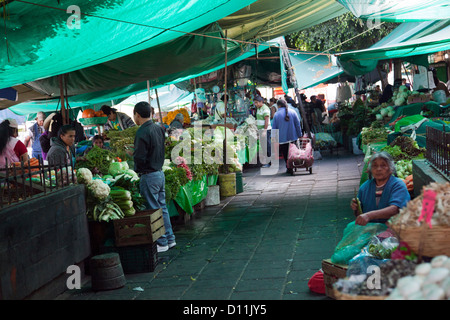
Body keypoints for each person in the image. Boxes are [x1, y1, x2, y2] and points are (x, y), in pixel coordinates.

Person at [132, 101, 176, 253]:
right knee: (162, 208)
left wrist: (135, 164)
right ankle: (170, 239)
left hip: (149, 175)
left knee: (153, 210)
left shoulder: (142, 132)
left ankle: (161, 242)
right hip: (159, 173)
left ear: (137, 115)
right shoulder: (158, 128)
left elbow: (139, 157)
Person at [351, 151, 410, 226]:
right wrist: (355, 208)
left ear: (391, 169)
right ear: (370, 169)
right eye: (375, 166)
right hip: (372, 230)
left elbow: (395, 209)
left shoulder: (398, 185)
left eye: (383, 166)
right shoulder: (365, 187)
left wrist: (369, 216)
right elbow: (360, 215)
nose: (378, 169)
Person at [271, 99, 303, 174]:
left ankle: (289, 167)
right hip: (293, 137)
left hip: (282, 139)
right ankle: (293, 165)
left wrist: (273, 140)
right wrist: (299, 135)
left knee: (286, 154)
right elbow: (298, 125)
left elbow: (274, 128)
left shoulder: (276, 115)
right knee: (293, 153)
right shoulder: (293, 112)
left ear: (278, 106)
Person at [254, 95, 272, 168]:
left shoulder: (265, 108)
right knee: (264, 146)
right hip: (261, 130)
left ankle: (269, 162)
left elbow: (266, 120)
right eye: (255, 103)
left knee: (267, 146)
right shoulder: (259, 108)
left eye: (256, 103)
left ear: (261, 102)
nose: (255, 104)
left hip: (266, 130)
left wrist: (264, 131)